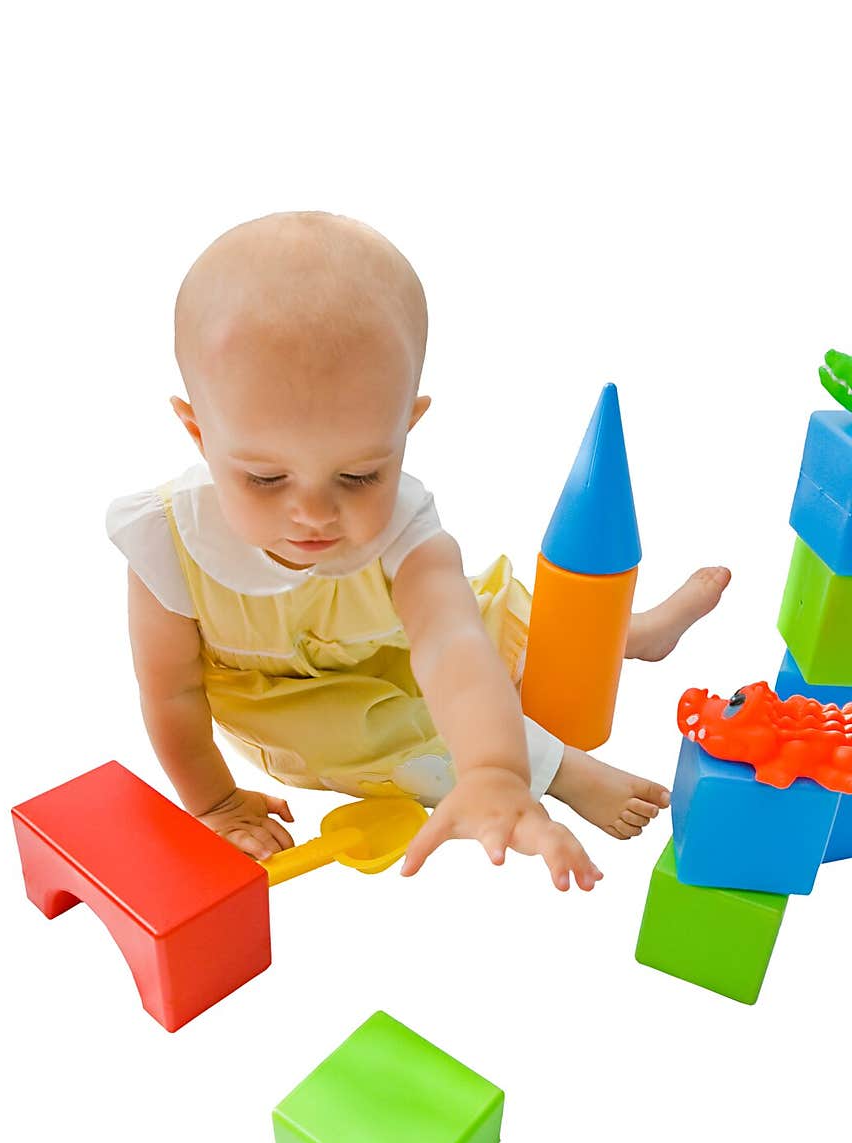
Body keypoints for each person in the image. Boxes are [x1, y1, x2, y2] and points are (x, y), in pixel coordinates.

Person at [107, 211, 730, 890]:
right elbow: (170, 693)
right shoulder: (169, 542)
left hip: (403, 642)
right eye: (264, 478)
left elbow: (454, 650)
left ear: (406, 424)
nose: (314, 513)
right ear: (199, 434)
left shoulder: (406, 527)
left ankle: (627, 635)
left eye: (359, 475)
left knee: (498, 620)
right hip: (298, 700)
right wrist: (215, 803)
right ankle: (561, 768)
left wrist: (493, 766)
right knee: (379, 729)